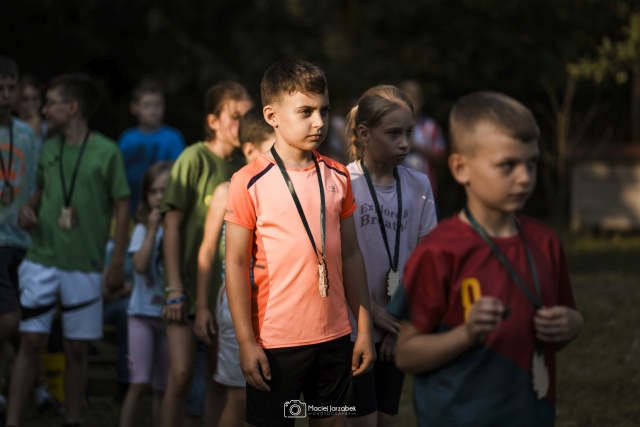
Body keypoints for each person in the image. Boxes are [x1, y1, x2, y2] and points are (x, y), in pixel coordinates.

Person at [389, 91, 584, 427]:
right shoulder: (440, 251)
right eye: (508, 165)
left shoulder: (547, 242)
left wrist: (571, 325)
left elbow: (566, 319)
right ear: (461, 168)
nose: (524, 177)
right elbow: (406, 354)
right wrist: (467, 334)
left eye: (532, 163)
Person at [224, 59, 376, 427]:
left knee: (332, 421)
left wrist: (364, 329)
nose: (319, 122)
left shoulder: (338, 175)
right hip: (276, 343)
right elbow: (235, 264)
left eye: (324, 110)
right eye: (306, 112)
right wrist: (246, 342)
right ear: (272, 116)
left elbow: (351, 254)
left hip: (335, 336)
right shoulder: (248, 181)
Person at [7, 73, 130, 427]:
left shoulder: (107, 151)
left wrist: (116, 261)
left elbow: (123, 206)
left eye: (51, 103)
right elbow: (39, 192)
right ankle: (12, 420)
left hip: (85, 265)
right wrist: (28, 208)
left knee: (77, 348)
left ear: (72, 107)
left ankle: (72, 420)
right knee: (31, 341)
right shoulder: (47, 148)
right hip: (41, 258)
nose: (44, 110)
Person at [160, 81, 252, 427]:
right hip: (185, 288)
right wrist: (174, 289)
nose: (242, 124)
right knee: (182, 374)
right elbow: (170, 227)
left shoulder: (246, 165)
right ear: (213, 121)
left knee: (219, 380)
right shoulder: (193, 158)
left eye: (247, 117)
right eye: (234, 116)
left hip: (223, 293)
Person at [344, 85, 438, 427]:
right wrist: (371, 312)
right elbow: (335, 259)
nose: (405, 143)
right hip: (354, 326)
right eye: (394, 134)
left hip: (397, 325)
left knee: (385, 418)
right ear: (364, 134)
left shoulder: (419, 185)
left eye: (409, 133)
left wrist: (400, 323)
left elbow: (426, 262)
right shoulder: (343, 183)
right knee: (363, 421)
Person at [196, 105, 275, 427]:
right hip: (234, 304)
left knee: (268, 394)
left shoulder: (283, 191)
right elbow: (207, 250)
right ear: (251, 151)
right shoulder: (226, 190)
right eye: (274, 149)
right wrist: (202, 307)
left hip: (273, 305)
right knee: (239, 395)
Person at [119, 161, 172, 427]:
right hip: (141, 316)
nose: (159, 197)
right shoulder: (140, 229)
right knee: (138, 383)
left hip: (168, 318)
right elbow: (139, 266)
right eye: (153, 191)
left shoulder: (178, 229)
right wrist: (152, 230)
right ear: (145, 195)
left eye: (165, 190)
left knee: (163, 386)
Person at [0, 55, 38, 414]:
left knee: (23, 322)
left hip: (23, 239)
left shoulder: (26, 134)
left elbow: (39, 181)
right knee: (9, 319)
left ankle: (33, 388)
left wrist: (33, 206)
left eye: (11, 88)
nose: (6, 95)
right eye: (0, 88)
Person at [118, 78, 185, 215]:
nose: (153, 110)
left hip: (166, 210)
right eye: (147, 105)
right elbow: (119, 177)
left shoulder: (173, 138)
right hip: (131, 210)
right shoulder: (126, 139)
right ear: (134, 107)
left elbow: (181, 177)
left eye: (157, 104)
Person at [398, 80, 446, 199]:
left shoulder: (431, 127)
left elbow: (441, 157)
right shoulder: (393, 127)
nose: (411, 103)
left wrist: (417, 147)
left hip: (426, 193)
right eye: (407, 99)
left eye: (414, 98)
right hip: (398, 192)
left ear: (420, 100)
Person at [14, 74, 47, 149]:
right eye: (25, 100)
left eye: (35, 99)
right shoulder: (8, 130)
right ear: (16, 103)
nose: (30, 105)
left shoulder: (49, 129)